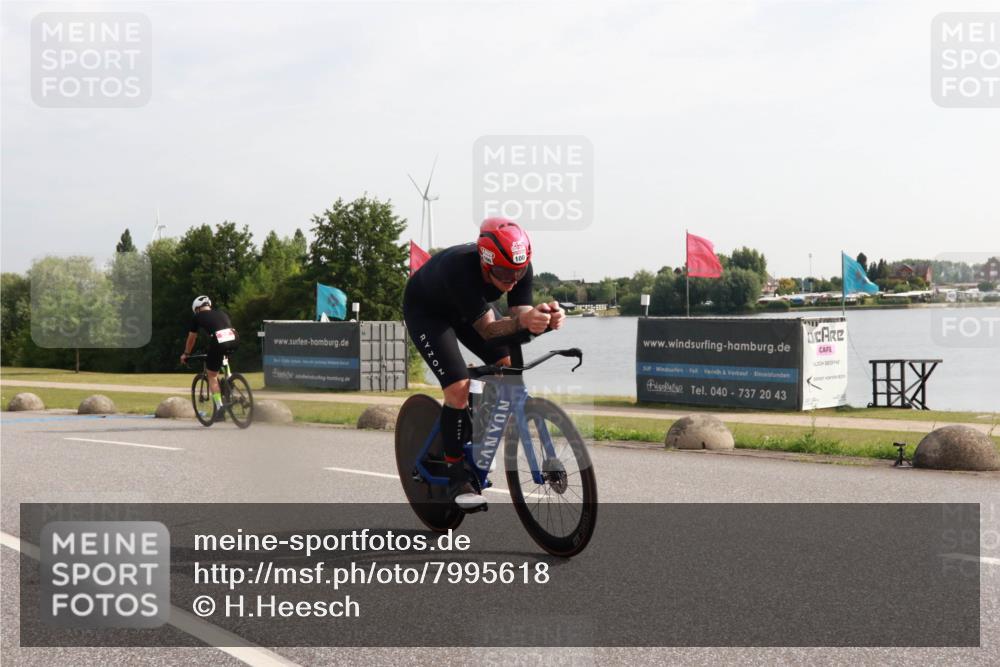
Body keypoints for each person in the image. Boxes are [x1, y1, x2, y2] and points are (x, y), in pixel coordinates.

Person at [403, 218, 565, 511]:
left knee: (507, 368)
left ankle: (477, 440)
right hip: (429, 312)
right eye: (503, 273)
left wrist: (545, 318)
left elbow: (520, 312)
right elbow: (489, 329)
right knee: (458, 388)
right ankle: (456, 476)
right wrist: (522, 322)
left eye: (518, 272)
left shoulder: (517, 266)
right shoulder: (460, 268)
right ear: (485, 261)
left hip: (470, 309)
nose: (511, 281)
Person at [180, 296, 239, 423]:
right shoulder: (221, 312)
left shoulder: (197, 317)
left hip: (219, 340)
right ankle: (229, 378)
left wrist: (186, 353)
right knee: (223, 355)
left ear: (196, 309)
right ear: (209, 305)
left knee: (212, 375)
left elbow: (192, 338)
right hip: (234, 337)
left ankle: (220, 408)